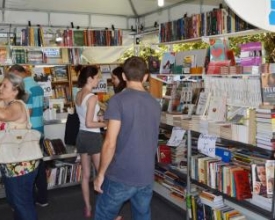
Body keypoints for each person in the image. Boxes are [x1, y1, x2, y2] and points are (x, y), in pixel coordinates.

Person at [94, 56, 161, 220]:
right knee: (142, 215)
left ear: (124, 76)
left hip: (122, 173)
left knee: (103, 215)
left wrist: (101, 173)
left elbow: (110, 142)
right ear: (146, 76)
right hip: (146, 174)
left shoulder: (118, 100)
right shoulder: (155, 103)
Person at [0, 73, 39, 220]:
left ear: (15, 91)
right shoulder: (7, 104)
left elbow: (3, 115)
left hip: (21, 165)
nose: (1, 88)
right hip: (11, 163)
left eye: (5, 86)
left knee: (22, 204)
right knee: (16, 203)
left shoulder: (17, 105)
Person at [9, 64, 48, 207]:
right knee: (40, 164)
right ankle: (43, 198)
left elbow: (27, 112)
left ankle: (29, 200)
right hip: (40, 129)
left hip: (28, 132)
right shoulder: (37, 86)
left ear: (16, 72)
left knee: (28, 168)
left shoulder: (24, 87)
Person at [75, 65, 107, 218]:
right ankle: (106, 212)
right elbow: (90, 123)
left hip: (81, 136)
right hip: (92, 136)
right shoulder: (93, 97)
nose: (99, 79)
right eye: (97, 77)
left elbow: (84, 119)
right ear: (90, 78)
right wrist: (106, 123)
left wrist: (98, 117)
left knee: (86, 175)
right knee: (101, 174)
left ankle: (87, 207)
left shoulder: (79, 94)